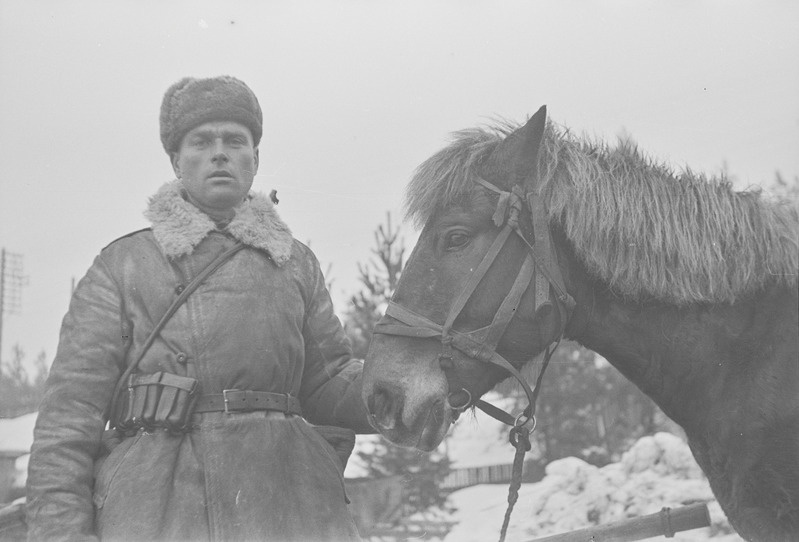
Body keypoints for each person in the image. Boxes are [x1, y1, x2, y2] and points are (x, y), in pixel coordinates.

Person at [26, 76, 375, 541]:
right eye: (201, 141)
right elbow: (68, 421)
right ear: (175, 160)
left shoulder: (295, 263)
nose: (219, 153)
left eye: (235, 140)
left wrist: (428, 378)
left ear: (255, 159)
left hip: (290, 500)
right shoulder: (123, 266)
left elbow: (329, 383)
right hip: (158, 509)